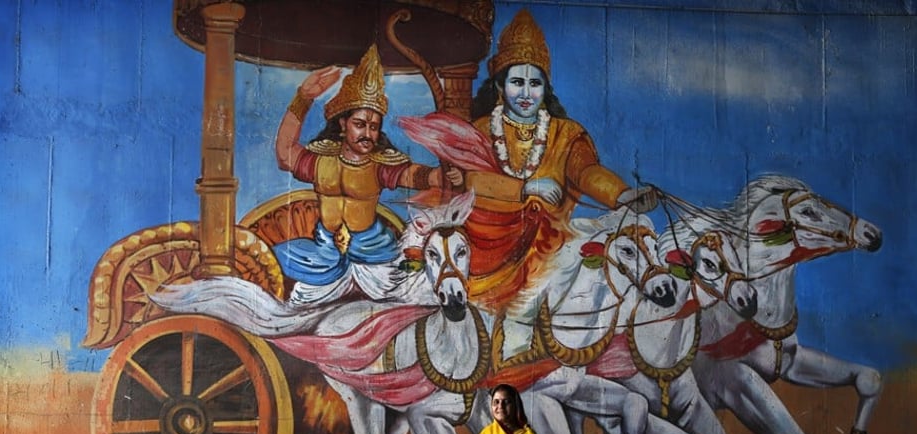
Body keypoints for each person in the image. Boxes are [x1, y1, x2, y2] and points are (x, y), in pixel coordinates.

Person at [400, 9, 657, 317]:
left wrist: (623, 195)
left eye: (535, 83)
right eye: (517, 82)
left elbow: (586, 172)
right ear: (499, 87)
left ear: (545, 89)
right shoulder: (481, 130)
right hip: (486, 242)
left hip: (549, 244)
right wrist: (527, 188)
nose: (526, 93)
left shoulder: (564, 133)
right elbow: (470, 181)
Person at [274, 44, 449, 306]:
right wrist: (303, 97)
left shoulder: (381, 164)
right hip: (324, 255)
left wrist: (445, 175)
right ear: (343, 124)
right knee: (275, 269)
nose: (368, 133)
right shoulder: (321, 160)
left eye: (374, 127)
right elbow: (285, 153)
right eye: (360, 124)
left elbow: (418, 177)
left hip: (375, 255)